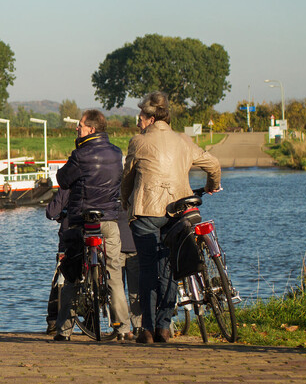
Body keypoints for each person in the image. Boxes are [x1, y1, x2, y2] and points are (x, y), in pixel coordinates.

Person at [121, 91, 221, 344]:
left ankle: (146, 328)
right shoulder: (183, 141)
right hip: (177, 212)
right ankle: (164, 327)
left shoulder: (138, 142)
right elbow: (213, 165)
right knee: (168, 269)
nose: (138, 121)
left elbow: (127, 178)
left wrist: (125, 201)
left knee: (146, 269)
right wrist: (211, 185)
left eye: (141, 116)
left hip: (146, 211)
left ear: (151, 118)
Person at [53, 109, 131, 341]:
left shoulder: (80, 155)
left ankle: (64, 330)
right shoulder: (116, 153)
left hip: (81, 222)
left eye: (80, 125)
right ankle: (123, 328)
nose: (77, 128)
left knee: (73, 275)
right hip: (109, 220)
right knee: (115, 274)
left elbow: (63, 180)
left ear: (91, 129)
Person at [44, 187, 70, 335]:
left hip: (69, 234)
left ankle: (53, 320)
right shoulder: (100, 178)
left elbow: (51, 212)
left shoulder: (68, 185)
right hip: (94, 230)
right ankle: (91, 320)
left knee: (60, 275)